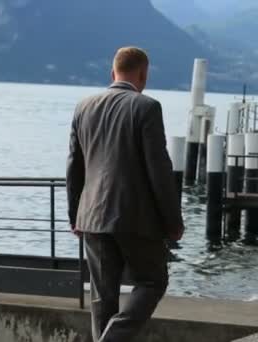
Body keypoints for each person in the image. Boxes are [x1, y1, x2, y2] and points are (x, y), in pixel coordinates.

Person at [66, 46, 184, 342]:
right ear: (143, 74)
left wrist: (74, 215)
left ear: (112, 73)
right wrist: (173, 222)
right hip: (135, 218)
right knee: (153, 281)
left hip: (91, 216)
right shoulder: (146, 107)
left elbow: (74, 166)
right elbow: (159, 170)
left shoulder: (84, 106)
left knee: (102, 297)